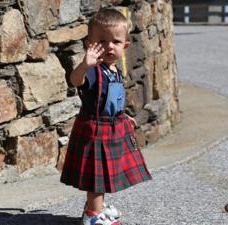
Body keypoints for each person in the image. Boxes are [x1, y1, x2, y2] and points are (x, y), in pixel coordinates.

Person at [60, 8, 152, 225]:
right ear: (89, 44)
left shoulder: (114, 70)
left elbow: (112, 101)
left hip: (112, 127)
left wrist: (123, 116)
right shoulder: (93, 70)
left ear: (125, 46)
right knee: (96, 178)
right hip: (95, 131)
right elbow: (75, 81)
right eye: (101, 41)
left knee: (104, 175)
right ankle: (92, 217)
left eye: (115, 41)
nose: (109, 46)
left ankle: (95, 209)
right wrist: (84, 64)